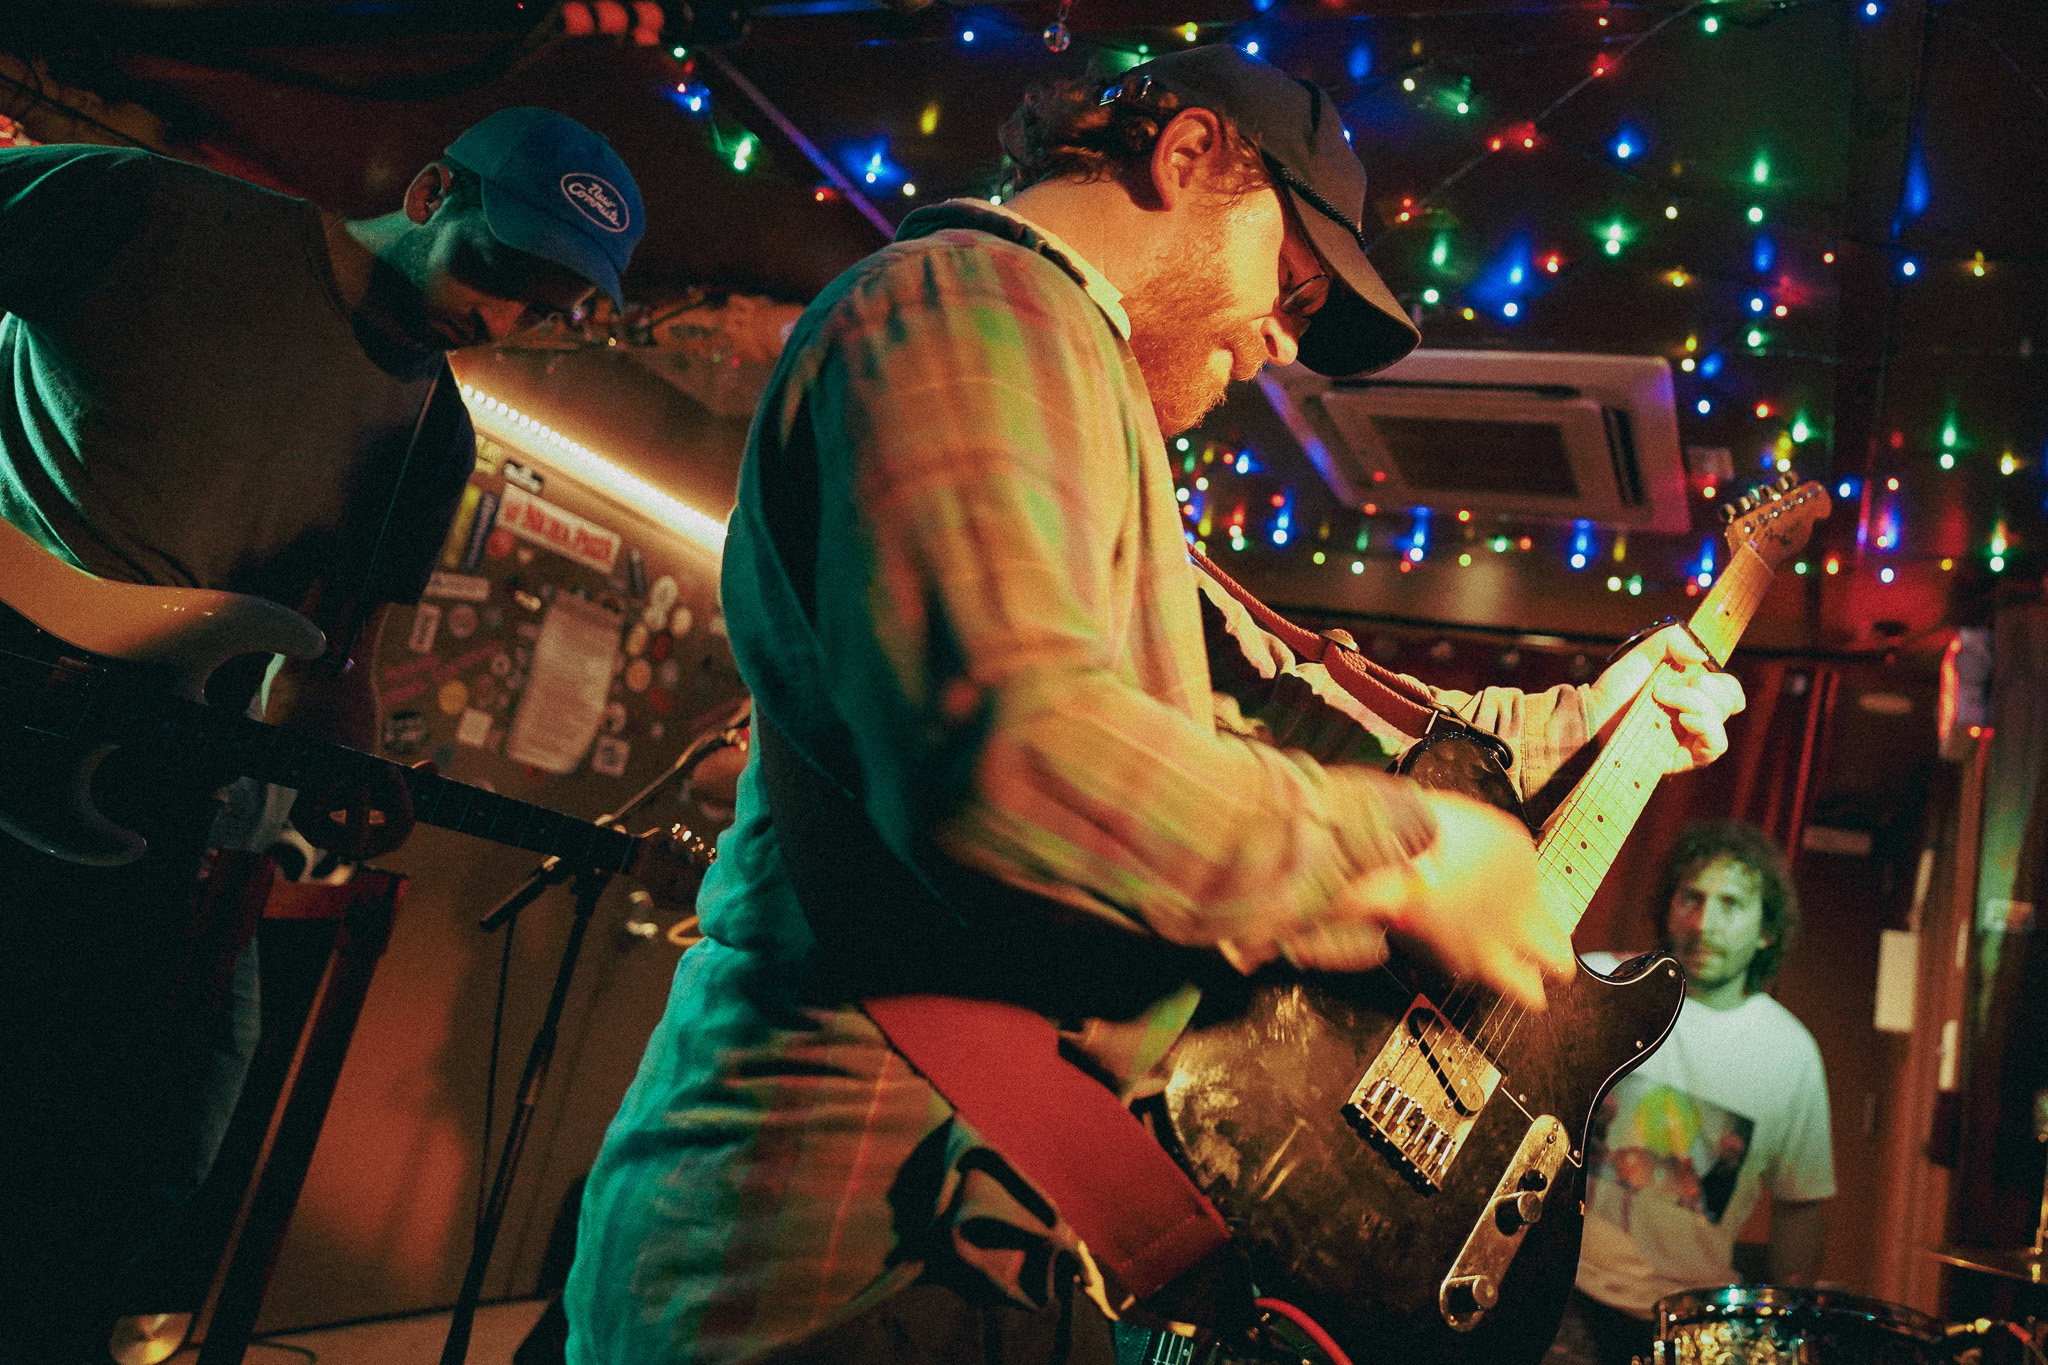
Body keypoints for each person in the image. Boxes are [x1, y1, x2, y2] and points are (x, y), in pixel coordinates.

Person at [566, 46, 1744, 1365]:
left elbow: (1294, 688)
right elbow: (1016, 751)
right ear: (1185, 158)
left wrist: (1588, 715)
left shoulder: (1066, 388)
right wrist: (1407, 856)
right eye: (1292, 284)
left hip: (980, 1230)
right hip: (809, 1257)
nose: (1283, 342)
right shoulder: (975, 302)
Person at [0, 107, 642, 1363]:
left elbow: (330, 654)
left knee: (92, 1176)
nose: (503, 320)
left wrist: (344, 759)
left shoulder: (431, 438)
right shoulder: (149, 209)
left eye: (548, 307)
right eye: (501, 269)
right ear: (430, 191)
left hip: (133, 806)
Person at [1551, 820, 1834, 1365]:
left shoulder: (1791, 1054)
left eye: (1731, 905)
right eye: (1692, 898)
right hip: (1560, 1283)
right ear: (1669, 906)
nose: (1704, 924)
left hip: (1693, 1326)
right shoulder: (1606, 981)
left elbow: (1800, 1206)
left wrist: (1792, 1329)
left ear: (1766, 932)